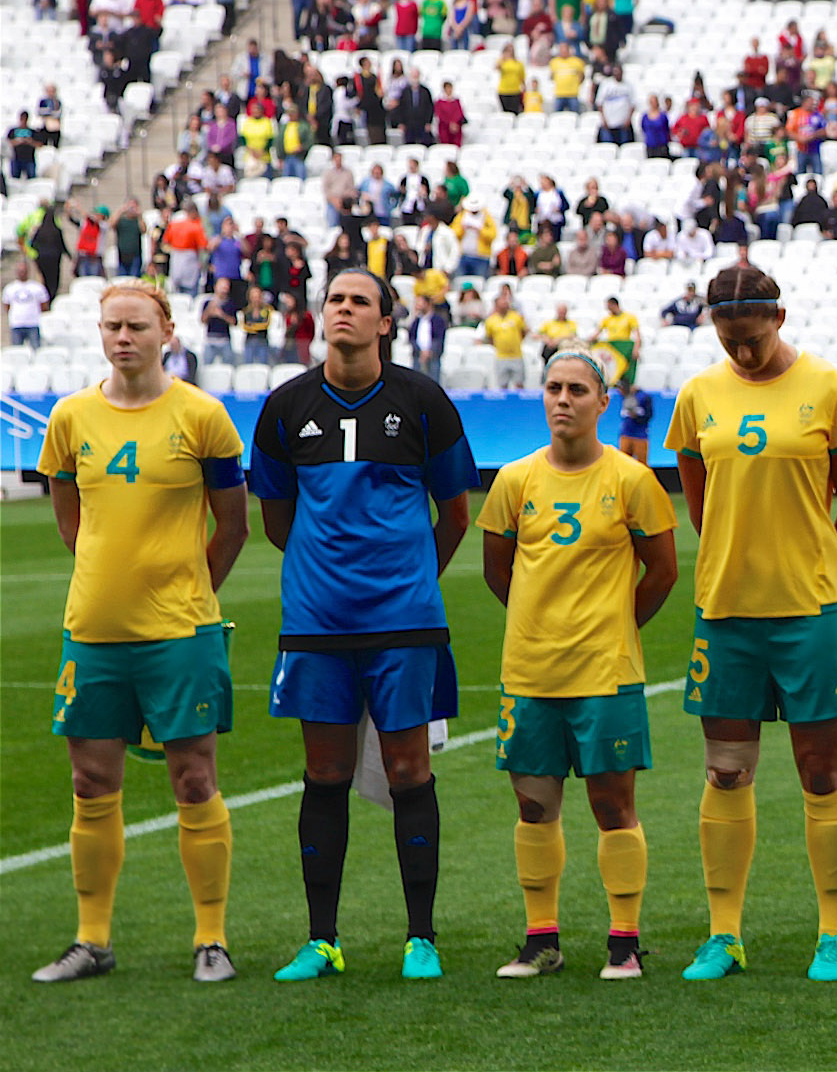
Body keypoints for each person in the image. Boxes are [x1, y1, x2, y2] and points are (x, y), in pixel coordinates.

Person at [252, 270, 479, 982]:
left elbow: (456, 513)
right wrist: (329, 576)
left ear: (386, 322)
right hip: (317, 625)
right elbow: (278, 518)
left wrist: (405, 580)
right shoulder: (285, 406)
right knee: (324, 773)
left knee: (410, 770)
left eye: (358, 301)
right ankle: (324, 939)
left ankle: (422, 937)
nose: (342, 309)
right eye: (334, 300)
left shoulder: (423, 401)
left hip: (404, 623)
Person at [32, 284, 248, 984]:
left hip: (180, 632)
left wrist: (186, 591)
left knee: (193, 778)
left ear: (167, 330)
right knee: (90, 779)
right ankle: (92, 939)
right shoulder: (70, 417)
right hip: (93, 631)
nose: (121, 336)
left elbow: (234, 523)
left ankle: (210, 938)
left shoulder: (203, 415)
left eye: (135, 325)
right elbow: (70, 515)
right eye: (110, 325)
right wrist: (106, 577)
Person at [664, 264, 837, 982]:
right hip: (726, 611)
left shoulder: (831, 390)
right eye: (728, 338)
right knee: (726, 773)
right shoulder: (697, 396)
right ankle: (725, 933)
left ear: (778, 317)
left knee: (822, 769)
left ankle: (835, 932)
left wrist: (821, 571)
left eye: (751, 337)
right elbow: (701, 500)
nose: (742, 352)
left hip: (811, 608)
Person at [479, 352, 678, 980]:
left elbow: (664, 570)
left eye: (577, 390)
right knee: (535, 807)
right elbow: (497, 570)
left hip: (606, 672)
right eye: (553, 389)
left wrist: (614, 626)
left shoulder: (632, 480)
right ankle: (543, 939)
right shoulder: (513, 479)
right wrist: (541, 625)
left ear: (602, 402)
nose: (562, 399)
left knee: (612, 806)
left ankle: (624, 942)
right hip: (531, 671)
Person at [616, 380, 654, 463]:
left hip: (640, 435)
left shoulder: (644, 397)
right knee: (623, 463)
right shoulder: (625, 396)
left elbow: (649, 415)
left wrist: (636, 416)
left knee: (641, 464)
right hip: (626, 434)